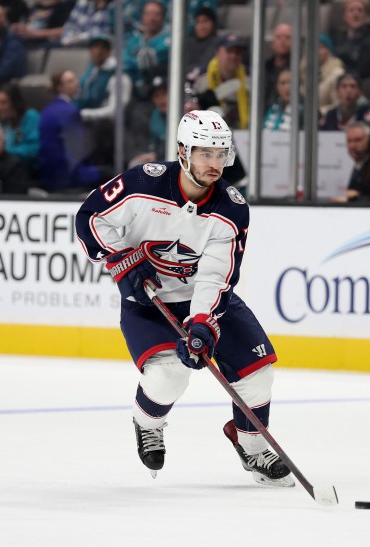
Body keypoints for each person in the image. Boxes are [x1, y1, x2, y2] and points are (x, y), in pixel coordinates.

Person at [74, 109, 293, 487]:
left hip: (201, 299)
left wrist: (203, 321)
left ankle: (253, 446)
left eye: (221, 154)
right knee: (168, 377)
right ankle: (148, 424)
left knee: (258, 375)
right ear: (182, 151)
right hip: (148, 302)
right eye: (205, 153)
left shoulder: (232, 209)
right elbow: (91, 217)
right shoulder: (143, 183)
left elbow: (216, 274)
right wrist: (120, 259)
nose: (214, 163)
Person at [38, 70, 107, 191]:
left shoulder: (47, 110)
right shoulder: (70, 112)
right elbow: (78, 151)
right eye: (70, 81)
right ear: (60, 87)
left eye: (75, 79)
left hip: (48, 175)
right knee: (109, 174)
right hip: (69, 176)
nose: (76, 83)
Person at [195, 33, 250, 130]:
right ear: (217, 53)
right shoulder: (202, 83)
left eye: (237, 52)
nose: (233, 56)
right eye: (229, 51)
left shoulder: (249, 84)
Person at [123, 0, 171, 100]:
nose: (152, 18)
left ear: (163, 18)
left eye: (157, 14)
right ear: (142, 17)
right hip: (135, 93)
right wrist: (135, 62)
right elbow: (124, 62)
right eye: (148, 14)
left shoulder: (169, 40)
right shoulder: (135, 40)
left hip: (160, 91)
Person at [331, 121, 370, 202]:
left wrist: (353, 200)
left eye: (358, 140)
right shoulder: (360, 165)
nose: (352, 146)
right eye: (349, 141)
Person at [300, 34, 345, 115]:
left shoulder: (337, 74)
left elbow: (338, 104)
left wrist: (319, 112)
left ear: (329, 50)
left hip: (325, 118)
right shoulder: (303, 72)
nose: (316, 51)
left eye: (320, 47)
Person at [330, 0, 370, 84]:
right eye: (351, 10)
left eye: (360, 10)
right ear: (344, 16)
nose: (356, 14)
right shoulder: (336, 37)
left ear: (366, 15)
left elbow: (363, 70)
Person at [262, 23, 292, 107]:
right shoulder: (264, 68)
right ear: (272, 42)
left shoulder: (299, 69)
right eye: (278, 37)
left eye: (287, 37)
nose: (283, 41)